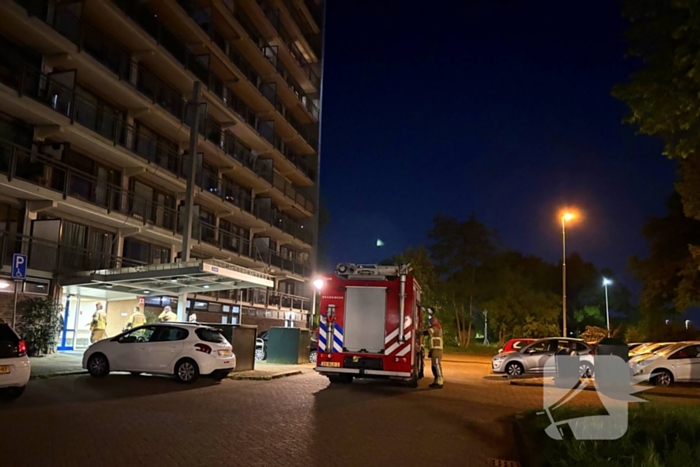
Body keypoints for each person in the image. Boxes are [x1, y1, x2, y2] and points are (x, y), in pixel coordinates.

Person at [423, 312, 444, 389]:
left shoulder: (436, 327)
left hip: (437, 349)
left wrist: (419, 332)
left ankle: (439, 380)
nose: (431, 322)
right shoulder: (436, 327)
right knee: (434, 366)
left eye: (432, 321)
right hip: (435, 349)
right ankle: (436, 381)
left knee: (436, 364)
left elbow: (429, 332)